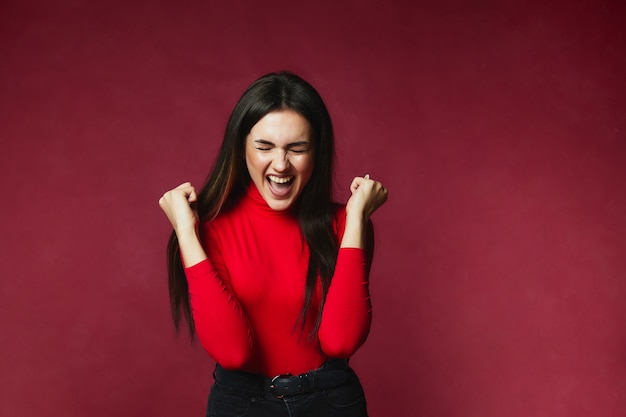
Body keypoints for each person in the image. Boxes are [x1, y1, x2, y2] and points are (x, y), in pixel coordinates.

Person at [159, 71, 388, 417]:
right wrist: (186, 233)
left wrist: (356, 219)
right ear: (241, 148)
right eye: (264, 147)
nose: (280, 165)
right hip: (241, 405)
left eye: (297, 149)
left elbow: (341, 340)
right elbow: (232, 352)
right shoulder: (207, 229)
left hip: (331, 403)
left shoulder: (347, 224)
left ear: (317, 153)